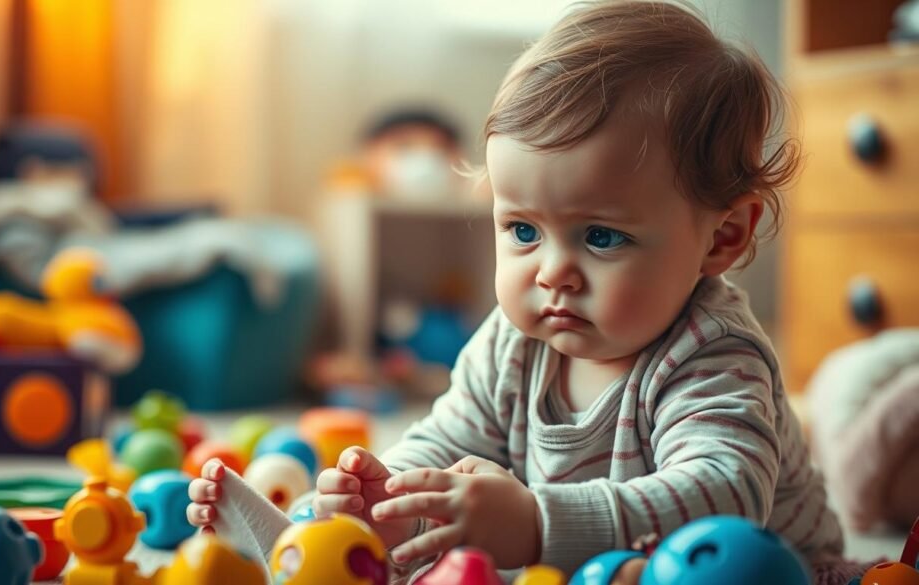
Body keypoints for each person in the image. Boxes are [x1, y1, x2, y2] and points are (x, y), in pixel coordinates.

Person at [189, 2, 867, 582]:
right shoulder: (514, 340)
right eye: (521, 229)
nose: (551, 272)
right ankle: (311, 552)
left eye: (600, 237)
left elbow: (724, 496)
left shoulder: (714, 353)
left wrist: (539, 522)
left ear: (722, 237)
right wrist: (389, 495)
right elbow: (446, 436)